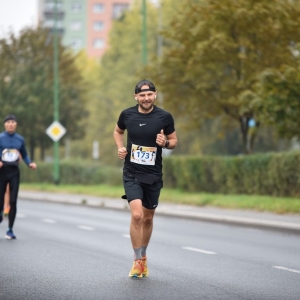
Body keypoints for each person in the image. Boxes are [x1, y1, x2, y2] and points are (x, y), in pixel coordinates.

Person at [113, 79, 178, 278]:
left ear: (155, 95)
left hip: (153, 175)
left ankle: (144, 255)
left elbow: (174, 141)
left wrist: (165, 142)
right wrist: (120, 147)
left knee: (148, 218)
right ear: (136, 97)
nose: (146, 98)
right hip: (131, 172)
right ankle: (137, 260)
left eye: (149, 94)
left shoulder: (164, 117)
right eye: (142, 95)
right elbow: (117, 131)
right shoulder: (127, 114)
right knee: (137, 215)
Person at [0, 114, 37, 239]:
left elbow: (24, 154)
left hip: (14, 171)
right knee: (0, 200)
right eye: (8, 122)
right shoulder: (0, 137)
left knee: (13, 201)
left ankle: (10, 229)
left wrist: (30, 163)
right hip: (2, 171)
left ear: (16, 124)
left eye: (13, 122)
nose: (10, 124)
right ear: (5, 124)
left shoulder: (20, 139)